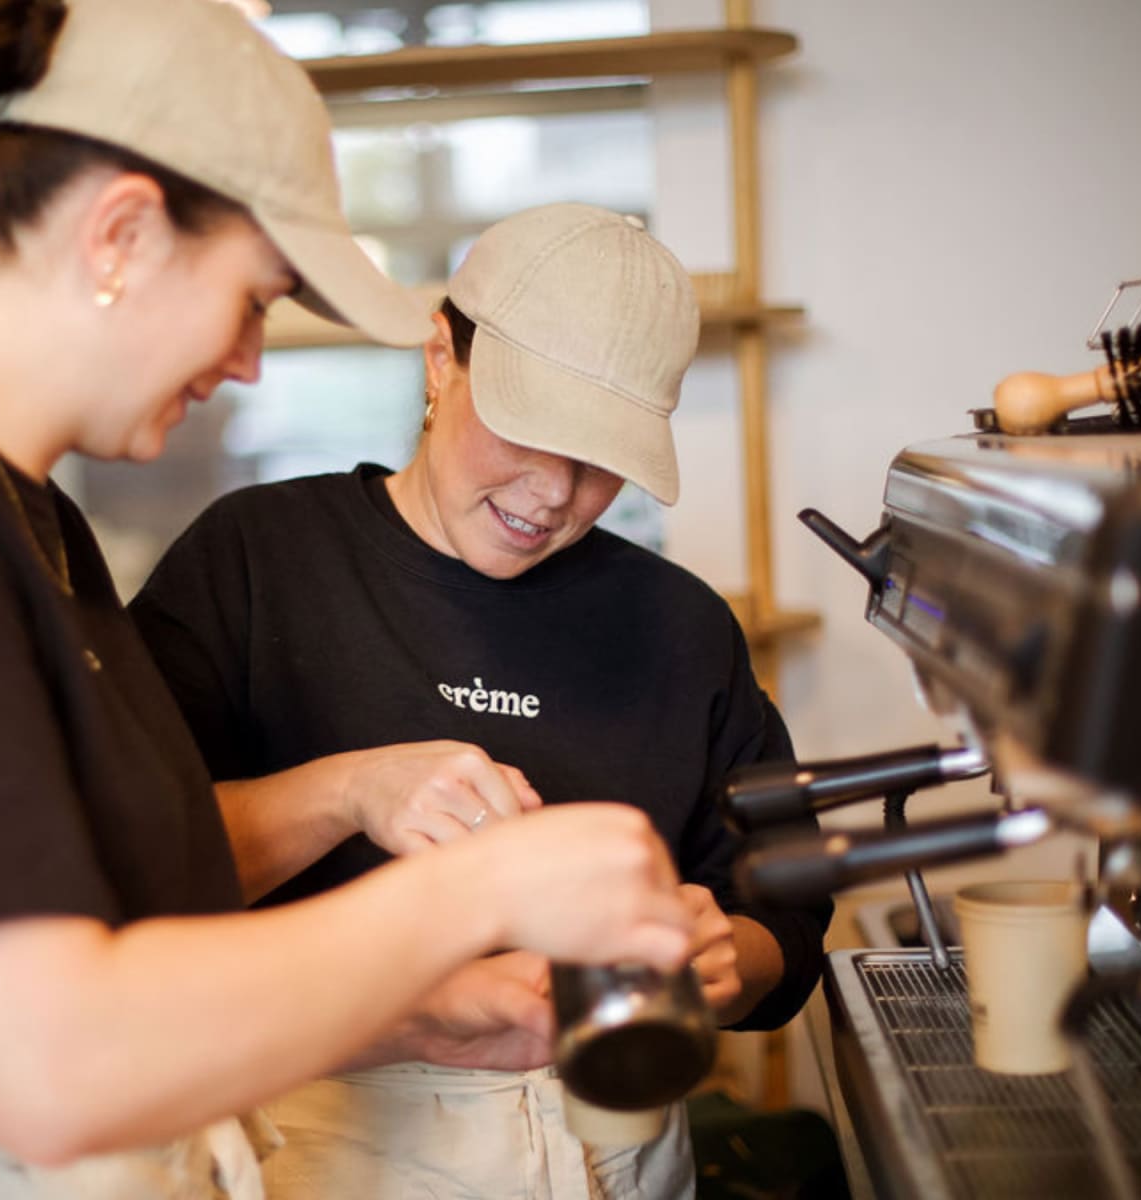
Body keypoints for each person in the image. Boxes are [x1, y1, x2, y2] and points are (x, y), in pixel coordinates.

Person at [0, 4, 697, 1197]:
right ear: (120, 237)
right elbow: (46, 1064)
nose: (250, 362)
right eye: (256, 296)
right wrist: (480, 889)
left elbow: (129, 943)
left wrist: (412, 1012)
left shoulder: (42, 531)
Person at [130, 201, 834, 1198]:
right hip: (320, 1137)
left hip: (616, 1150)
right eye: (529, 429)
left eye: (601, 460)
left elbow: (785, 917)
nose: (553, 493)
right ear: (439, 360)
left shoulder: (678, 626)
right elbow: (129, 881)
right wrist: (346, 791)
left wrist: (731, 959)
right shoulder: (257, 562)